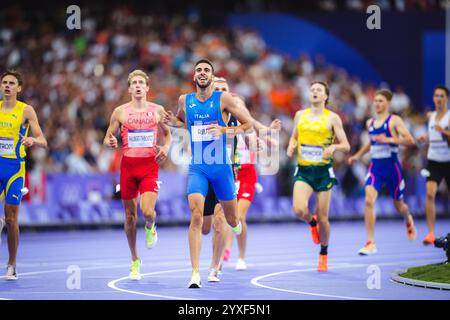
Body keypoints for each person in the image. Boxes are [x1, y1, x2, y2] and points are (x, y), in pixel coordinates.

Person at [163, 59, 252, 288]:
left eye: (207, 70)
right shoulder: (185, 100)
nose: (202, 73)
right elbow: (183, 122)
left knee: (231, 219)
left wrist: (224, 129)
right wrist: (170, 121)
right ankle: (195, 273)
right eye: (199, 70)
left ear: (212, 76)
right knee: (196, 216)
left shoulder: (223, 99)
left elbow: (248, 125)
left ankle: (234, 229)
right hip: (198, 167)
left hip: (222, 168)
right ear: (194, 76)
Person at [103, 69, 171, 280]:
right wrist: (111, 141)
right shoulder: (120, 112)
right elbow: (107, 137)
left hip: (149, 167)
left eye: (142, 83)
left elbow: (168, 135)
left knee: (147, 211)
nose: (139, 86)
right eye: (135, 83)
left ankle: (151, 226)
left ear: (147, 88)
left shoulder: (157, 110)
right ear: (130, 88)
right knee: (130, 217)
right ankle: (135, 260)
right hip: (128, 168)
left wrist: (166, 148)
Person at [212, 77, 281, 272]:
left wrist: (265, 138)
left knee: (238, 216)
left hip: (247, 173)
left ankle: (237, 254)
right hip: (227, 172)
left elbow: (255, 131)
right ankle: (223, 250)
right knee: (224, 217)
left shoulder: (245, 124)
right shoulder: (215, 118)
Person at [287, 81, 350, 272]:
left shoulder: (333, 118)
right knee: (299, 209)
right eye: (312, 89)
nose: (314, 92)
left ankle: (323, 253)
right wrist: (291, 145)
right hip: (304, 170)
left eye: (319, 90)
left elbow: (346, 145)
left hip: (323, 172)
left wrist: (334, 147)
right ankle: (310, 221)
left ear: (326, 96)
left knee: (324, 218)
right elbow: (294, 136)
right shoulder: (300, 115)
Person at [348, 89, 417, 255]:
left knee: (399, 205)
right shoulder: (370, 123)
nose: (377, 104)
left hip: (392, 168)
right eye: (375, 101)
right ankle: (370, 242)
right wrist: (357, 155)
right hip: (375, 168)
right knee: (369, 200)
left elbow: (410, 140)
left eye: (381, 101)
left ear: (387, 103)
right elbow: (371, 143)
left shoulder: (394, 121)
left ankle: (408, 218)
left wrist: (389, 139)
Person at [0, 70, 47, 280]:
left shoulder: (26, 111)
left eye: (11, 83)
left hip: (14, 170)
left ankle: (12, 264)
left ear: (18, 88)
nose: (7, 86)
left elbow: (43, 140)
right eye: (4, 82)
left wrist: (32, 141)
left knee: (12, 219)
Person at [417, 85, 450, 245]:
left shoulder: (449, 117)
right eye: (436, 95)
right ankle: (430, 233)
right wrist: (426, 136)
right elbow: (433, 132)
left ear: (447, 99)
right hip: (434, 161)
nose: (439, 98)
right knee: (430, 194)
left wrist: (444, 132)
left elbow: (443, 133)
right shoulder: (430, 115)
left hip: (448, 161)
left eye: (442, 96)